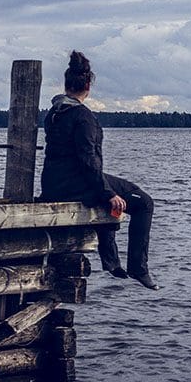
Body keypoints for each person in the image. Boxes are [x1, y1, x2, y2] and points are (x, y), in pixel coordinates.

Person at [39, 51, 159, 290]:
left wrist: (105, 192)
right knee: (143, 202)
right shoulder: (83, 116)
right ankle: (138, 268)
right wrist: (107, 193)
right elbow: (88, 160)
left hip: (54, 184)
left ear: (66, 85)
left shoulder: (54, 113)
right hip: (77, 184)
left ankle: (111, 260)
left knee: (113, 193)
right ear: (88, 86)